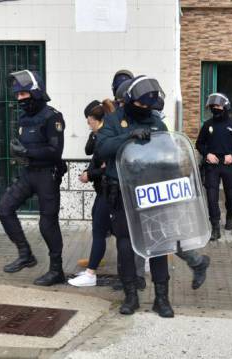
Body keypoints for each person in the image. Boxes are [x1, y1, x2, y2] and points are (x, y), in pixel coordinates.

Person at [95, 75, 175, 317]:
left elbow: (168, 155)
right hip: (122, 192)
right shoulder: (112, 120)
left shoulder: (156, 122)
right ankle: (130, 296)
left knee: (158, 245)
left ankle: (162, 298)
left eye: (148, 106)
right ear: (129, 100)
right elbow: (102, 149)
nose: (144, 110)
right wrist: (128, 138)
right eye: (139, 105)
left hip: (150, 192)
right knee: (126, 246)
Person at [0, 69, 67, 287]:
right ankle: (25, 254)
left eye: (23, 95)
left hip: (47, 175)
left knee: (47, 224)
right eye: (17, 95)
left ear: (35, 92)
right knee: (4, 208)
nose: (19, 99)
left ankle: (56, 271)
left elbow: (54, 151)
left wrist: (27, 153)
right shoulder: (22, 117)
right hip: (27, 174)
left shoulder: (52, 116)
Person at [69, 100, 114, 287]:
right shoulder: (99, 135)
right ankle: (92, 268)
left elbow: (107, 167)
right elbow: (94, 157)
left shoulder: (105, 137)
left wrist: (90, 174)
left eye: (88, 121)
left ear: (96, 119)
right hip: (103, 189)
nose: (88, 124)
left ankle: (91, 273)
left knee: (99, 229)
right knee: (101, 225)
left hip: (109, 189)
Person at [196, 93, 232, 240]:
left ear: (225, 107)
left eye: (218, 106)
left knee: (231, 197)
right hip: (212, 166)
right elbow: (199, 143)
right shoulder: (208, 125)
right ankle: (215, 226)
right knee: (212, 197)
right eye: (213, 107)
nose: (215, 109)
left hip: (228, 166)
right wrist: (207, 154)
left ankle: (230, 216)